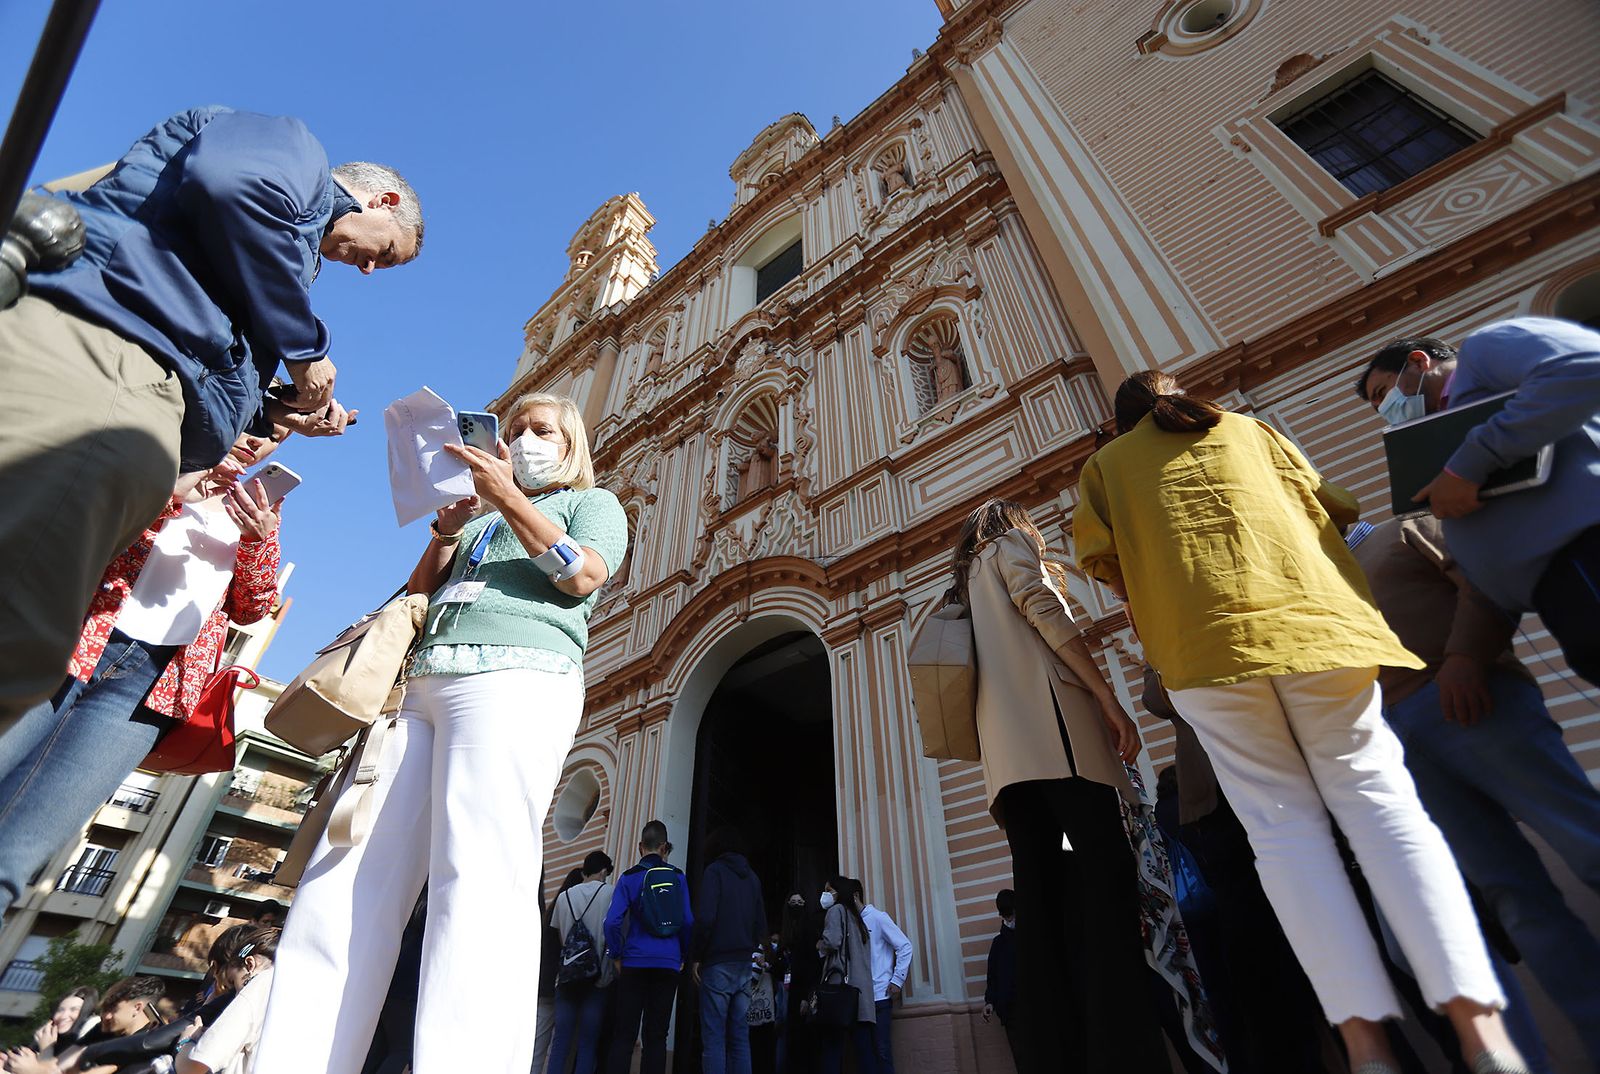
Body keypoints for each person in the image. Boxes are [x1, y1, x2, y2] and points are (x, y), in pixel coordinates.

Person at [1073, 369, 1528, 1074]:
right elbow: (1334, 508)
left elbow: (1109, 568)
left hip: (1203, 649)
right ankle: (1483, 1032)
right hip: (1317, 629)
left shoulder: (1105, 467)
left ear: (1122, 418)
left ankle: (1367, 1045)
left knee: (1283, 834)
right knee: (1386, 809)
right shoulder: (1251, 430)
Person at [0, 106, 422, 728]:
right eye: (382, 253)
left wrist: (278, 409)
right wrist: (305, 348)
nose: (365, 270)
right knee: (17, 628)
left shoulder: (280, 247)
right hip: (117, 373)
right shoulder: (296, 154)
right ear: (383, 200)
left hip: (137, 400)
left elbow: (210, 350)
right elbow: (232, 186)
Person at [254, 392, 627, 1074]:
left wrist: (509, 496)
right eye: (513, 429)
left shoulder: (589, 505)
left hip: (516, 677)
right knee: (347, 871)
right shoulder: (481, 525)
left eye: (541, 430)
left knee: (479, 876)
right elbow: (417, 595)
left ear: (571, 448)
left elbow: (583, 576)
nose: (521, 438)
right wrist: (447, 532)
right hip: (421, 687)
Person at [1347, 514, 1600, 1065]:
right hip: (1403, 747)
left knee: (1589, 844)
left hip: (1478, 706)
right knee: (1514, 900)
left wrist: (1465, 658)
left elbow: (1485, 583)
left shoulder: (1404, 529)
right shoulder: (1311, 583)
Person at [0, 433, 287, 913]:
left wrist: (258, 541)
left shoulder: (258, 510)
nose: (257, 445)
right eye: (255, 428)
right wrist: (178, 491)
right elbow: (85, 522)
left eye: (273, 440)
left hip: (147, 688)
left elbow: (252, 608)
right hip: (71, 643)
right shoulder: (165, 464)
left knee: (19, 854)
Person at [949, 497, 1172, 1073]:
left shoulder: (961, 585)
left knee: (1043, 908)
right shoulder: (1008, 548)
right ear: (1015, 524)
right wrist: (1105, 696)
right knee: (1106, 892)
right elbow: (1043, 608)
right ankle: (1125, 1052)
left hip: (1011, 770)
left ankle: (1054, 1054)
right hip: (1062, 749)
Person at [1354, 320, 1600, 685]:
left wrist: (1467, 467)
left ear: (1420, 362)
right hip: (1557, 593)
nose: (1384, 409)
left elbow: (1585, 365)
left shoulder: (1484, 351)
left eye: (1382, 392)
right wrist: (1468, 653)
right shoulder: (1445, 445)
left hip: (1585, 550)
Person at [604, 821, 693, 1074]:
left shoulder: (628, 878)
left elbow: (612, 921)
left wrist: (616, 953)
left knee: (624, 1035)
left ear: (640, 847)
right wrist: (682, 955)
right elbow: (687, 921)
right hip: (668, 963)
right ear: (665, 847)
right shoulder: (677, 877)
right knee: (656, 1037)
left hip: (633, 961)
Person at [691, 829, 767, 1074]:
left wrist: (696, 955)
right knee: (740, 1038)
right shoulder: (753, 879)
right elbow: (761, 925)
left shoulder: (714, 872)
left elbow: (705, 919)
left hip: (717, 964)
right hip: (743, 965)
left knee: (714, 1038)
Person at [548, 852, 617, 1074]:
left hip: (567, 979)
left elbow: (561, 938)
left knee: (561, 1043)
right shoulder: (610, 893)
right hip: (598, 980)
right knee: (588, 1044)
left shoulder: (564, 897)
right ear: (604, 871)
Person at [177, 926, 279, 1074]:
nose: (235, 994)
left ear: (250, 964)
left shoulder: (259, 987)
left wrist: (186, 1041)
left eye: (232, 982)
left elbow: (192, 1068)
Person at [854, 886, 911, 1074]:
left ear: (854, 895)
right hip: (859, 999)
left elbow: (904, 946)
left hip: (879, 996)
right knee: (864, 1054)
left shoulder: (878, 917)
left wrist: (897, 980)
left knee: (882, 1050)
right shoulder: (850, 923)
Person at [980, 890, 1018, 1066]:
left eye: (1010, 914)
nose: (1009, 919)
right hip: (1012, 1012)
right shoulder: (999, 944)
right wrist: (990, 1002)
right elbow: (993, 976)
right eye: (1005, 915)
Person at [30, 987, 100, 1060]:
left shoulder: (91, 1046)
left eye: (74, 1010)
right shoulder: (43, 1043)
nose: (63, 1016)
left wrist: (46, 1050)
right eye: (60, 1010)